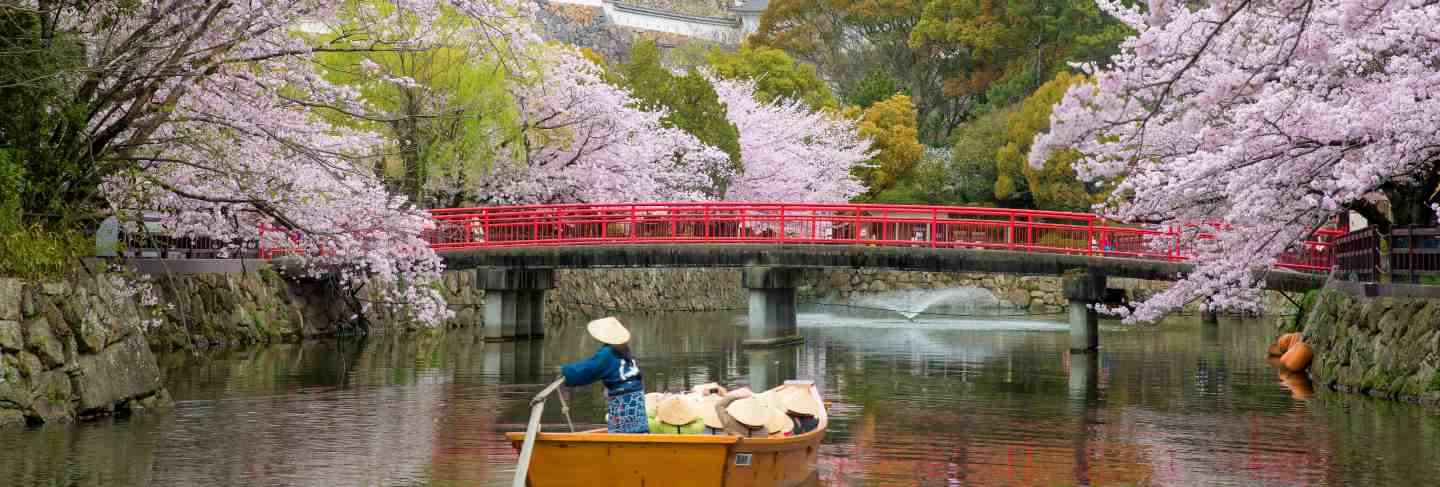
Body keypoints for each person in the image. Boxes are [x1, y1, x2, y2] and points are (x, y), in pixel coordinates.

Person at [561, 317, 647, 433]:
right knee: (636, 429)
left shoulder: (607, 353)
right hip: (637, 397)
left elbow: (589, 369)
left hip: (623, 399)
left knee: (621, 432)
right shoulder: (624, 349)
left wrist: (565, 371)